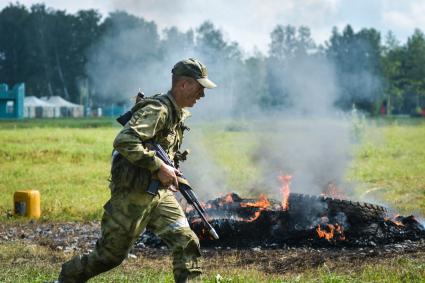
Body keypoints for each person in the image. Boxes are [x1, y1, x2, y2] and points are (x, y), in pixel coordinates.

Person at [56, 58, 217, 283]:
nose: (202, 95)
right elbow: (125, 140)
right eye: (199, 88)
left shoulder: (176, 113)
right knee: (110, 256)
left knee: (186, 240)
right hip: (133, 195)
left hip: (160, 195)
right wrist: (158, 166)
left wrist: (170, 169)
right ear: (183, 85)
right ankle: (66, 279)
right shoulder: (158, 110)